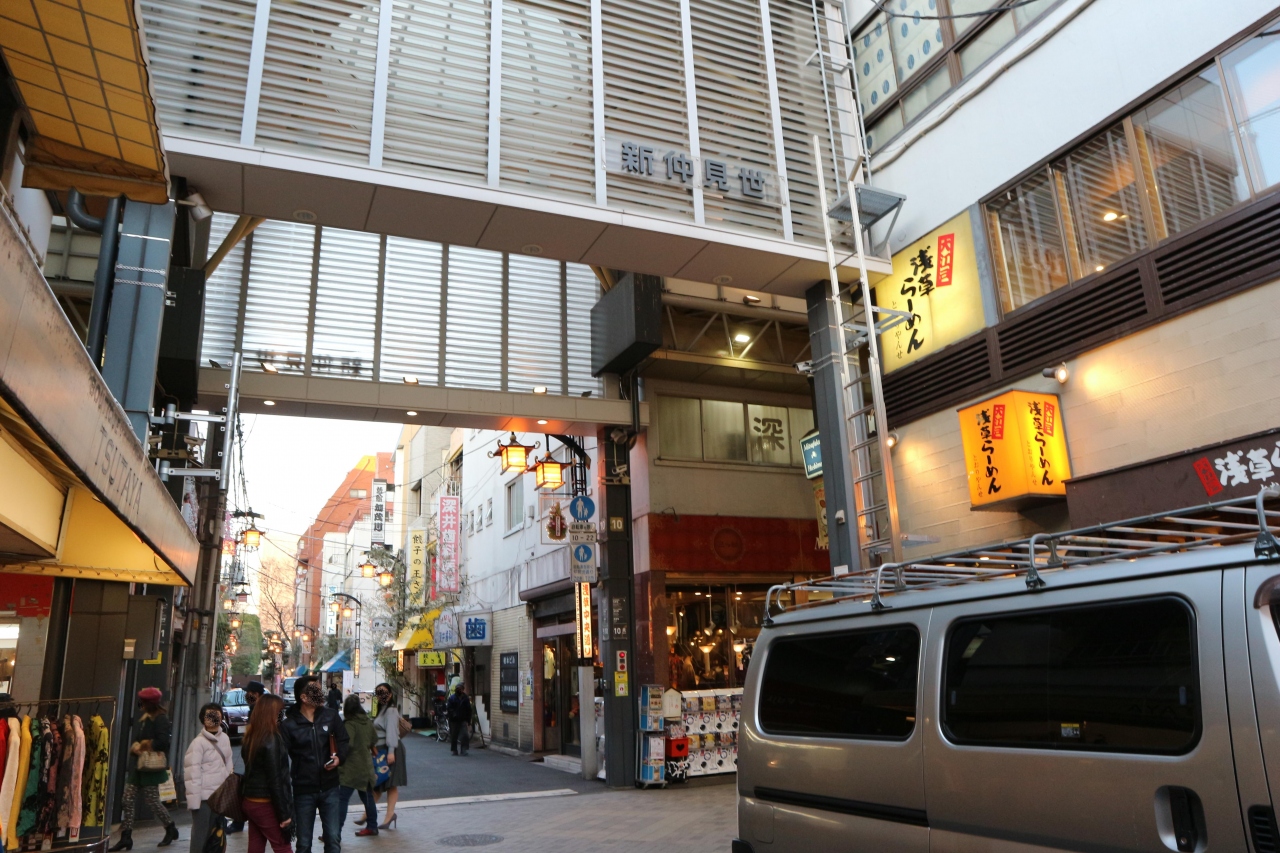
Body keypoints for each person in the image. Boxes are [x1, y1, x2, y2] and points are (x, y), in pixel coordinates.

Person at [281, 678, 349, 853]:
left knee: (333, 839)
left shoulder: (331, 716)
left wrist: (339, 758)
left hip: (330, 786)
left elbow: (343, 741)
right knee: (304, 843)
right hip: (303, 789)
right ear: (304, 697)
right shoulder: (289, 725)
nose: (322, 694)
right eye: (316, 691)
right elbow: (280, 759)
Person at [111, 687, 178, 851]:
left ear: (150, 703)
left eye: (143, 702)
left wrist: (143, 745)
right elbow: (138, 738)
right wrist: (136, 746)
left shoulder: (160, 719)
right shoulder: (145, 718)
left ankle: (170, 828)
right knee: (127, 799)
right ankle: (126, 837)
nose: (141, 704)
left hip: (151, 768)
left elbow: (163, 742)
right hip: (140, 766)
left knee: (153, 801)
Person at [240, 695, 293, 853]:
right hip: (265, 803)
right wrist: (284, 814)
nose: (282, 716)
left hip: (250, 800)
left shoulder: (251, 736)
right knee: (282, 846)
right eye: (280, 712)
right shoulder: (271, 738)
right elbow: (275, 779)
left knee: (255, 845)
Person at [183, 704, 234, 853]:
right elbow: (192, 773)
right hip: (204, 798)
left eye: (216, 715)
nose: (213, 718)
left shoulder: (225, 738)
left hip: (220, 797)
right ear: (203, 719)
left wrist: (228, 793)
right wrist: (194, 802)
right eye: (209, 715)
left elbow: (228, 766)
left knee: (216, 833)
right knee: (200, 834)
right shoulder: (198, 743)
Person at [226, 682, 269, 835]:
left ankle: (240, 822)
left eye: (248, 692)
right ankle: (239, 821)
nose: (245, 695)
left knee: (248, 789)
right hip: (253, 754)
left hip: (258, 754)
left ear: (256, 694)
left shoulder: (262, 709)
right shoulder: (254, 708)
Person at [337, 696, 377, 837]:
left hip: (351, 767)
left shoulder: (350, 724)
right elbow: (374, 740)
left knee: (342, 799)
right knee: (368, 798)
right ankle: (372, 826)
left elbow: (348, 744)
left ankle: (335, 832)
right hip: (366, 766)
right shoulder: (367, 722)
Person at [369, 684, 404, 829]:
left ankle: (388, 816)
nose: (380, 696)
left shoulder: (390, 710)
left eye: (383, 693)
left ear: (390, 695)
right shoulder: (382, 709)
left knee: (390, 783)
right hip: (381, 749)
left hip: (390, 749)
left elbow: (391, 732)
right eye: (378, 693)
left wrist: (390, 751)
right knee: (379, 782)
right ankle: (368, 813)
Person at [445, 685, 471, 757]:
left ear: (463, 689)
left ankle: (464, 749)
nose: (459, 690)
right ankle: (454, 750)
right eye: (458, 689)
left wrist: (468, 720)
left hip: (463, 719)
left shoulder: (465, 698)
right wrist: (454, 714)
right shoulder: (452, 698)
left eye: (460, 689)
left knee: (465, 735)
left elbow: (468, 709)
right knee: (454, 735)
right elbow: (449, 708)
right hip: (454, 720)